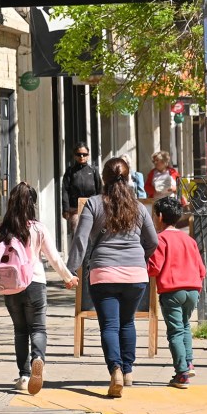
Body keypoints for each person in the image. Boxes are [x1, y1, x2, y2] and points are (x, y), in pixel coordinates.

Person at [66, 157, 158, 398]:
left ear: (103, 179)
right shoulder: (138, 207)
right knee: (127, 323)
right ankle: (128, 372)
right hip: (136, 275)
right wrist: (140, 258)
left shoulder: (94, 204)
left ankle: (115, 369)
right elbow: (153, 241)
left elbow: (81, 239)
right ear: (127, 178)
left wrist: (70, 270)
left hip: (103, 273)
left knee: (109, 325)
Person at [0, 182, 79, 395]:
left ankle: (24, 375)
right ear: (32, 204)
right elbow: (54, 258)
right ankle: (38, 358)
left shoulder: (2, 229)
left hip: (10, 287)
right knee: (38, 328)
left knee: (20, 330)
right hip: (35, 283)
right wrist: (68, 278)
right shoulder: (37, 228)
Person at [147, 196, 206, 389]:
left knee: (175, 331)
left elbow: (154, 268)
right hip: (193, 290)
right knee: (186, 326)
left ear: (160, 216)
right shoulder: (188, 240)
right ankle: (189, 363)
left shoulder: (161, 239)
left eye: (155, 215)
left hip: (172, 291)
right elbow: (202, 269)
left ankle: (181, 374)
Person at [61, 142, 102, 235]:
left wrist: (101, 207)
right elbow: (65, 190)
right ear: (75, 156)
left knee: (92, 233)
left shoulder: (93, 170)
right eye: (79, 154)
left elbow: (99, 189)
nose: (82, 156)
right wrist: (66, 209)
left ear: (88, 156)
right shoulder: (70, 171)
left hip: (92, 208)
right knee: (77, 232)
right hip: (75, 209)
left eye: (85, 154)